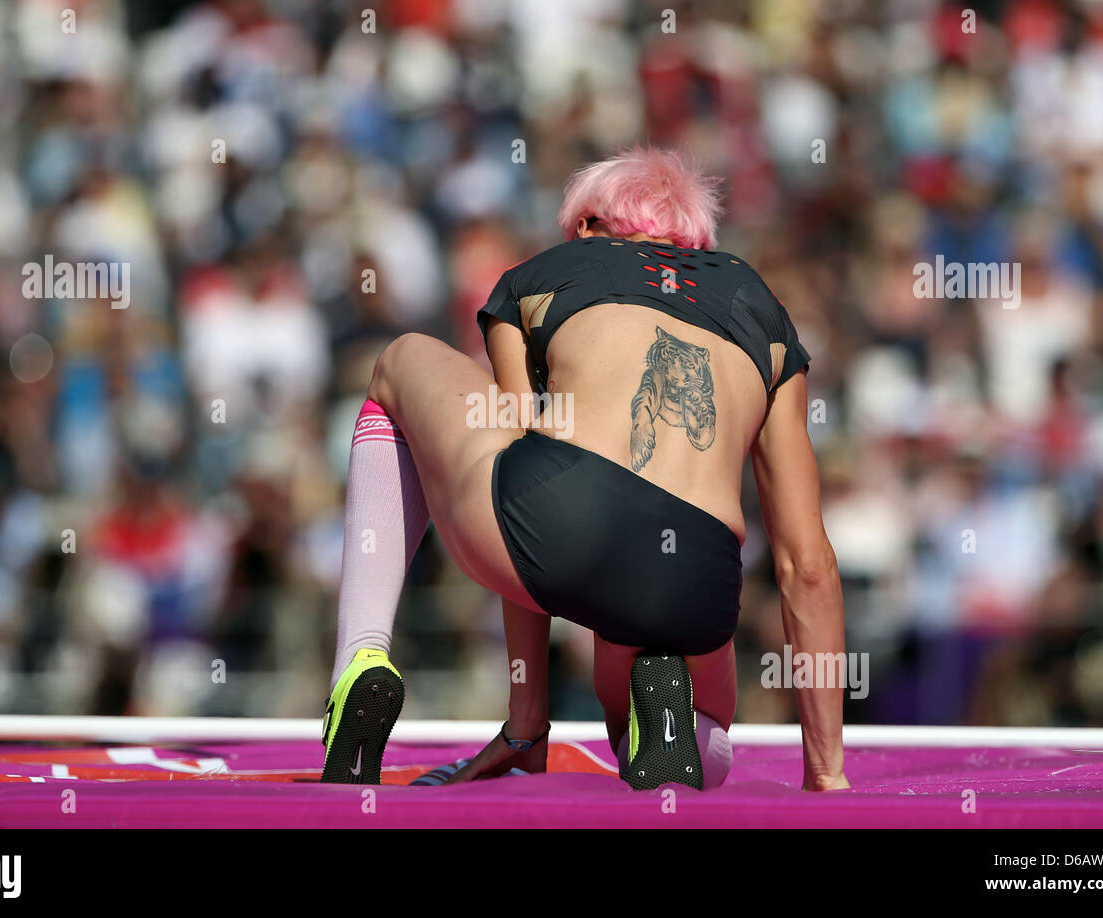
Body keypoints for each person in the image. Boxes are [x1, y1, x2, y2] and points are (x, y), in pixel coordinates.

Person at [321, 147, 848, 792]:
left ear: (594, 224)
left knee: (399, 362)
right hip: (698, 576)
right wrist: (827, 778)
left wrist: (527, 720)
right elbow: (807, 563)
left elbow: (518, 450)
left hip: (561, 517)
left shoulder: (549, 272)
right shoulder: (764, 312)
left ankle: (362, 661)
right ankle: (661, 715)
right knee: (710, 725)